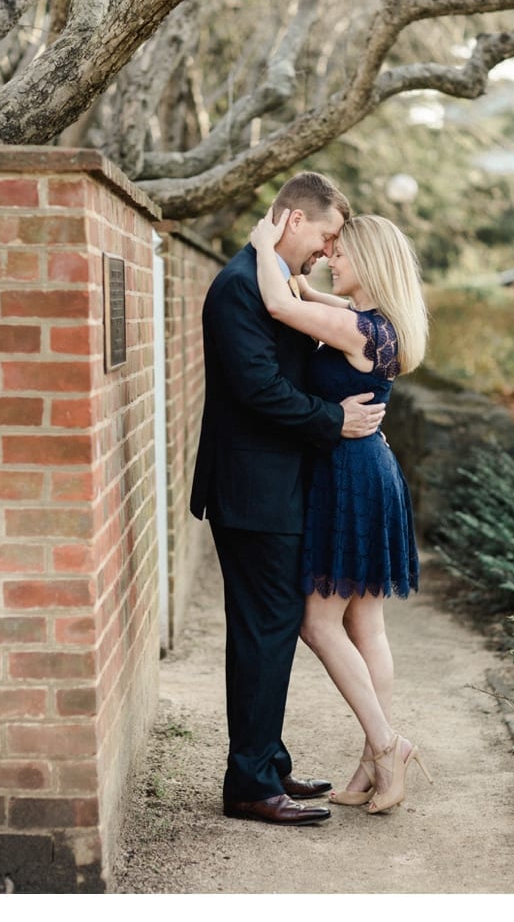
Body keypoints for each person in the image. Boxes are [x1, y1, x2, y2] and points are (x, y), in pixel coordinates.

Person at [189, 171, 385, 826]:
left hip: (277, 489)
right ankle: (249, 783)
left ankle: (268, 763)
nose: (326, 250)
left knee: (271, 630)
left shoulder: (267, 278)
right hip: (252, 492)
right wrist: (336, 421)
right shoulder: (239, 286)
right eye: (326, 234)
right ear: (293, 220)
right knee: (263, 632)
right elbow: (259, 389)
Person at [249, 208, 434, 815]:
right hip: (370, 468)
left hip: (351, 475)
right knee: (366, 625)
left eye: (342, 251)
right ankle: (367, 767)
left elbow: (279, 305)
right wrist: (305, 280)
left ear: (372, 262)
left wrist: (261, 245)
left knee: (319, 623)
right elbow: (309, 295)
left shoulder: (359, 329)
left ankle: (386, 746)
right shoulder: (381, 324)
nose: (332, 257)